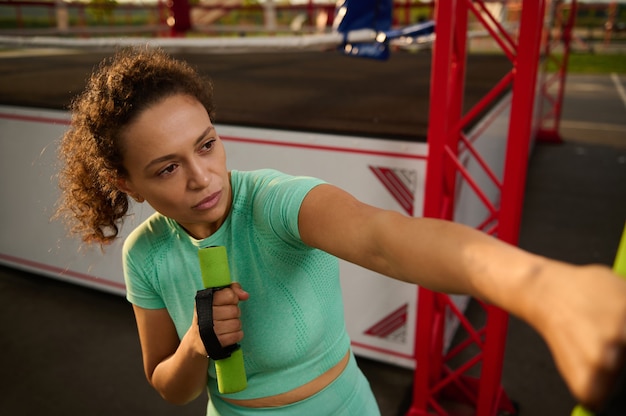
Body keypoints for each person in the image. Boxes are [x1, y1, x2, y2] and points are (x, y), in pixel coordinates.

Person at [56, 47, 626, 415]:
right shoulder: (146, 253)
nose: (203, 177)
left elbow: (385, 237)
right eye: (167, 167)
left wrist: (544, 288)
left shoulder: (276, 203)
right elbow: (170, 387)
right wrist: (195, 346)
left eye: (206, 144)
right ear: (127, 183)